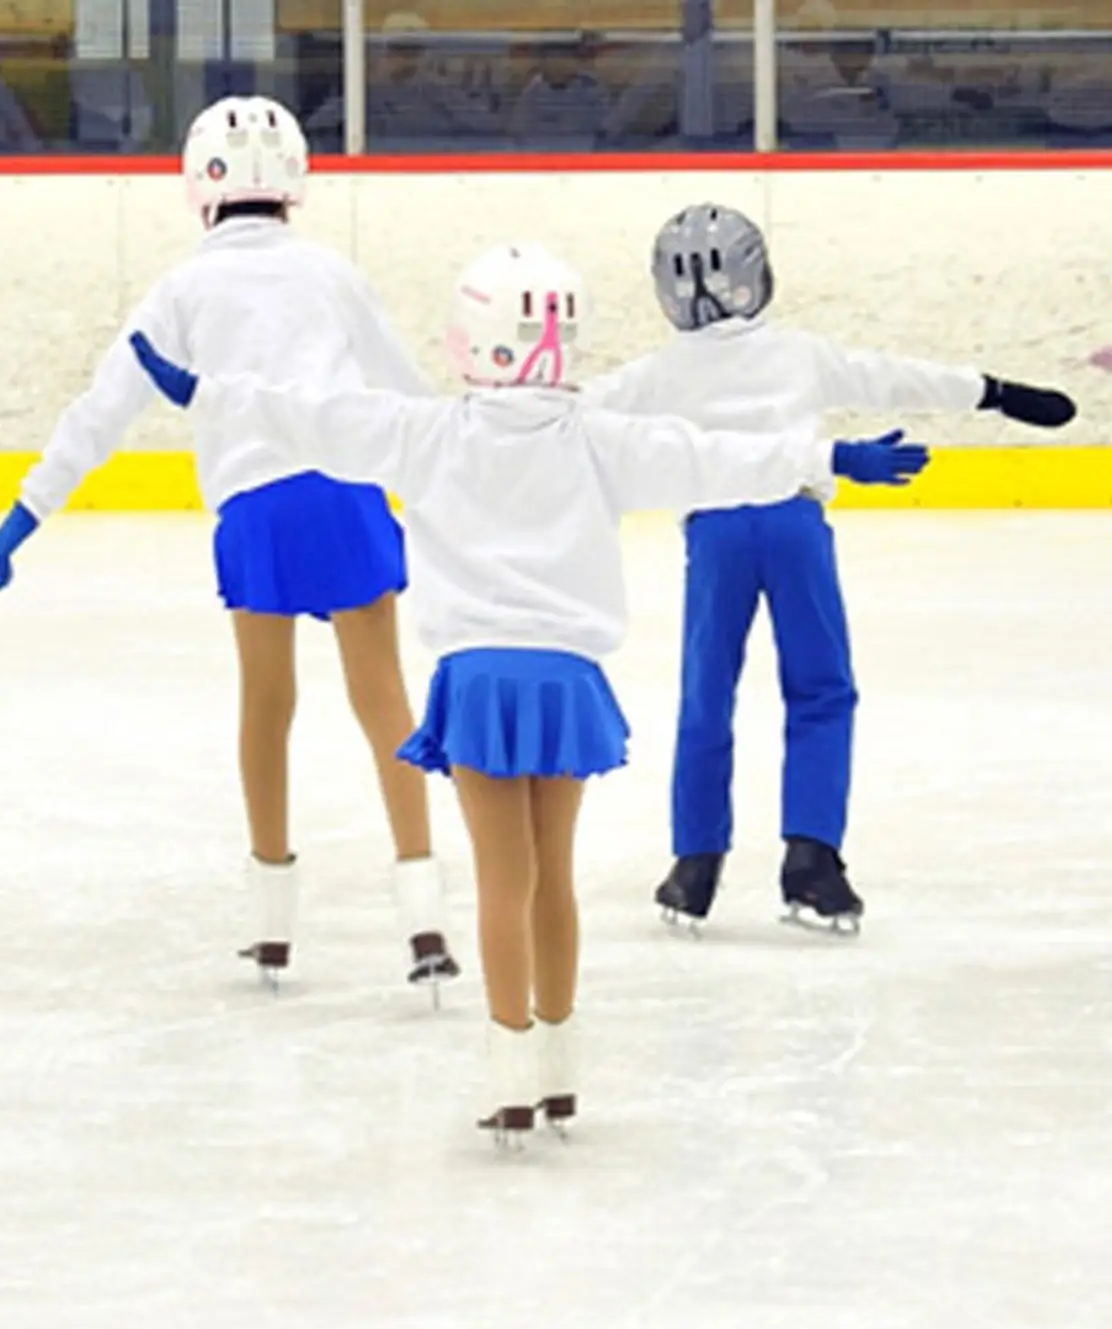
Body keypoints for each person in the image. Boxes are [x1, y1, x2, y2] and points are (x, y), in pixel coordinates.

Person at [127, 242, 932, 1144]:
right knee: (556, 880)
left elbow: (312, 421)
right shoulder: (600, 437)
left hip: (479, 684)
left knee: (502, 881)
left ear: (469, 341)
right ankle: (559, 1075)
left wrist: (201, 392)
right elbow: (715, 458)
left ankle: (512, 1080)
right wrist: (833, 456)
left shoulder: (424, 433)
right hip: (565, 685)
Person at [0, 95, 460, 995]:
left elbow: (104, 409)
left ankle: (273, 923)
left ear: (198, 188)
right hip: (348, 490)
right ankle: (423, 910)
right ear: (294, 183)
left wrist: (29, 508)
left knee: (266, 705)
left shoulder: (181, 289)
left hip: (258, 509)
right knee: (383, 696)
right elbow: (410, 392)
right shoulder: (331, 275)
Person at [585, 204, 1075, 932]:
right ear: (759, 277)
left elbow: (575, 415)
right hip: (792, 526)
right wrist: (995, 391)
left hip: (715, 537)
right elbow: (896, 378)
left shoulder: (657, 373)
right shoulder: (801, 354)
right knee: (819, 690)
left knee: (706, 696)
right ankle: (811, 863)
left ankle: (694, 867)